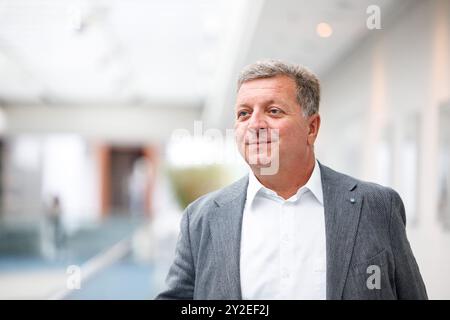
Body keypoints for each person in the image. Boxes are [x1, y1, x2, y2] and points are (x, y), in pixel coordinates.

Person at [156, 60, 427, 300]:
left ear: (311, 128)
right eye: (244, 113)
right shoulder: (201, 219)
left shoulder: (376, 207)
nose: (255, 124)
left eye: (273, 111)